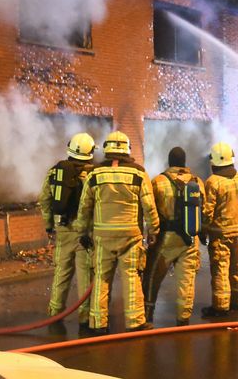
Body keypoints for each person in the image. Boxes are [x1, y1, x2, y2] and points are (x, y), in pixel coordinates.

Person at [75, 130, 159, 334]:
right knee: (131, 277)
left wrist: (81, 231)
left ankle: (97, 323)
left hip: (102, 236)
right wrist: (153, 229)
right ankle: (135, 322)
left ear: (106, 150)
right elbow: (149, 204)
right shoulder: (139, 173)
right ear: (127, 150)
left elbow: (84, 207)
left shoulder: (94, 174)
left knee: (102, 278)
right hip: (130, 235)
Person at [142, 147, 205, 326]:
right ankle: (183, 318)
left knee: (153, 276)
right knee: (186, 280)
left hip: (166, 239)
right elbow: (204, 210)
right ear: (184, 162)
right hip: (191, 238)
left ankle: (148, 315)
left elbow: (150, 209)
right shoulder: (197, 182)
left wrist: (151, 232)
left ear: (169, 162)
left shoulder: (159, 181)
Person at [38, 132, 95, 331]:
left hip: (62, 230)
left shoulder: (56, 172)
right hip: (84, 234)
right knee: (84, 276)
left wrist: (49, 225)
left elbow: (45, 200)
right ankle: (85, 318)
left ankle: (54, 313)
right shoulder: (93, 174)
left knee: (61, 273)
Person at [200, 142, 238, 318]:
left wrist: (203, 230)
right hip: (237, 234)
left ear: (214, 161)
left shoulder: (213, 182)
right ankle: (237, 302)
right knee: (237, 268)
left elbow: (207, 211)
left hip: (220, 235)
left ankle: (220, 307)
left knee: (221, 269)